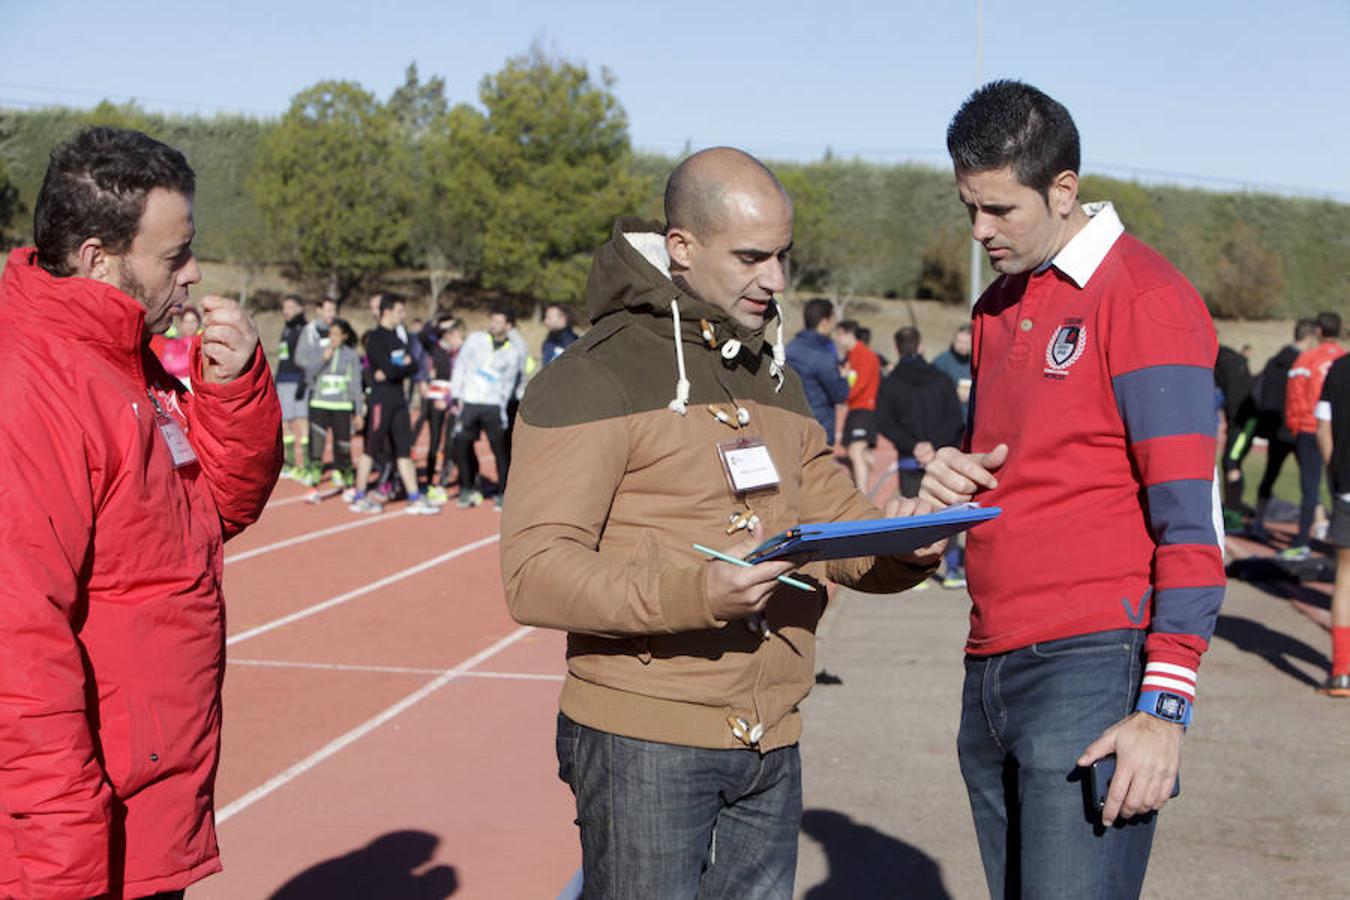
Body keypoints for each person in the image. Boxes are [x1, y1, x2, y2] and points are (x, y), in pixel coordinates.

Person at [500, 147, 941, 900]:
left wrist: (907, 542)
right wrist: (699, 591)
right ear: (681, 248)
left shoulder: (774, 375)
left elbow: (832, 523)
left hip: (773, 737)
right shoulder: (591, 376)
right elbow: (533, 575)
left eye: (782, 256)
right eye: (750, 257)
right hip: (646, 745)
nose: (774, 280)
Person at [920, 82, 1225, 899]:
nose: (979, 231)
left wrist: (1165, 709)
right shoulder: (996, 305)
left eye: (998, 210)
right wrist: (949, 483)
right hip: (989, 662)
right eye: (968, 208)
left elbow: (1193, 523)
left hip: (1093, 664)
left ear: (1063, 190)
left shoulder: (1146, 298)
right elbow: (1014, 470)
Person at [0, 126, 281, 900]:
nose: (193, 276)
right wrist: (61, 863)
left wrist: (236, 390)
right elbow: (17, 649)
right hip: (80, 836)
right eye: (173, 256)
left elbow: (218, 508)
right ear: (97, 260)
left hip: (146, 801)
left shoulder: (129, 360)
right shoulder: (33, 387)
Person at [876, 326, 965, 587]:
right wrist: (934, 447)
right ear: (921, 347)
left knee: (914, 511)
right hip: (940, 458)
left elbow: (884, 421)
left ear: (897, 349)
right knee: (948, 511)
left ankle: (915, 571)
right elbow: (955, 419)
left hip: (909, 459)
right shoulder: (941, 379)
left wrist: (914, 446)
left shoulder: (891, 383)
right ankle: (953, 570)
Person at [348, 294, 440, 515]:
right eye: (400, 311)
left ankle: (414, 496)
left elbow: (412, 365)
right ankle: (359, 495)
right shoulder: (376, 339)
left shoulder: (399, 338)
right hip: (382, 400)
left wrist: (396, 368)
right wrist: (397, 368)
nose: (403, 315)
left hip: (400, 400)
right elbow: (388, 369)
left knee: (403, 450)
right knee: (372, 447)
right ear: (387, 312)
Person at [1282, 311, 1346, 560]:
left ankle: (1301, 542)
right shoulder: (1342, 359)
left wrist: (1294, 426)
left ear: (1318, 331)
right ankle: (1338, 540)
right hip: (1341, 432)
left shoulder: (1307, 359)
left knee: (1310, 488)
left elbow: (1295, 395)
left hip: (1311, 429)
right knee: (1340, 488)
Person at [448, 310, 524, 510]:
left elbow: (508, 383)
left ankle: (503, 492)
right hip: (470, 401)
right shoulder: (475, 340)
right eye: (492, 320)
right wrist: (457, 394)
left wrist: (501, 406)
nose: (493, 324)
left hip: (493, 406)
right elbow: (461, 365)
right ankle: (467, 488)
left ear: (508, 326)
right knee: (461, 445)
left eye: (498, 321)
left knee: (499, 450)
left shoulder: (513, 352)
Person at [1250, 319, 1318, 537]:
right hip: (1298, 428)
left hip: (1276, 428)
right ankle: (1319, 523)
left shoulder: (1274, 361)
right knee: (1310, 479)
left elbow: (1261, 393)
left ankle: (1257, 521)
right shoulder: (1305, 364)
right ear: (1309, 338)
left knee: (1270, 475)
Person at [1316, 353, 1350, 695]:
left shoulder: (1339, 368)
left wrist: (1334, 472)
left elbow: (1323, 426)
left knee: (1345, 577)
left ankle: (1342, 670)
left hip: (1347, 488)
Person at [305, 317, 364, 493]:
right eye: (331, 334)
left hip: (342, 405)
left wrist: (358, 411)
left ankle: (346, 475)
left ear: (345, 336)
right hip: (319, 403)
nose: (333, 338)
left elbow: (356, 383)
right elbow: (308, 375)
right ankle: (315, 474)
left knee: (343, 444)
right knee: (317, 441)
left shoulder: (351, 354)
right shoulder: (320, 349)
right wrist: (323, 359)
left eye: (337, 334)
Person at [786, 297, 849, 443]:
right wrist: (844, 378)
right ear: (824, 322)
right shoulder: (823, 356)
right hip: (819, 426)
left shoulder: (789, 348)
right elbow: (840, 394)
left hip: (791, 422)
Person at [833, 319, 882, 491]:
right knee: (857, 451)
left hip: (864, 408)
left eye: (839, 335)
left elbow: (860, 384)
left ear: (848, 334)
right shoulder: (851, 356)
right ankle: (873, 482)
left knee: (855, 450)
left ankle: (862, 493)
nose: (837, 340)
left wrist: (841, 396)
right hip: (855, 408)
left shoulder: (865, 355)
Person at [424, 317, 466, 505]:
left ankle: (445, 483)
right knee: (435, 442)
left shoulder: (465, 353)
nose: (447, 339)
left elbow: (463, 380)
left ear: (457, 335)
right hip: (440, 400)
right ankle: (431, 482)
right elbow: (424, 336)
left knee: (452, 445)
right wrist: (439, 324)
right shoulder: (448, 352)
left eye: (451, 335)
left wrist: (448, 401)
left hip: (457, 405)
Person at [275, 294, 309, 479]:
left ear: (299, 308)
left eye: (289, 307)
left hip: (298, 380)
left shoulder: (304, 329)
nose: (285, 311)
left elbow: (308, 358)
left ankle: (305, 463)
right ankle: (290, 463)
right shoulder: (286, 329)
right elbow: (283, 356)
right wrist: (277, 378)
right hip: (284, 380)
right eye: (284, 307)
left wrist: (304, 381)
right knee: (285, 422)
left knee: (302, 420)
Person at [931, 323, 973, 425]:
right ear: (953, 340)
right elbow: (931, 392)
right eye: (960, 342)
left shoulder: (978, 362)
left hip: (971, 420)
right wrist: (953, 393)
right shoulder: (940, 362)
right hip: (948, 421)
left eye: (967, 342)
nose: (963, 346)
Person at [151, 304, 201, 387]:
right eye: (186, 321)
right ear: (181, 324)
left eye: (193, 321)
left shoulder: (202, 343)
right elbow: (167, 366)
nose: (190, 325)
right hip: (176, 386)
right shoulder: (172, 345)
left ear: (198, 324)